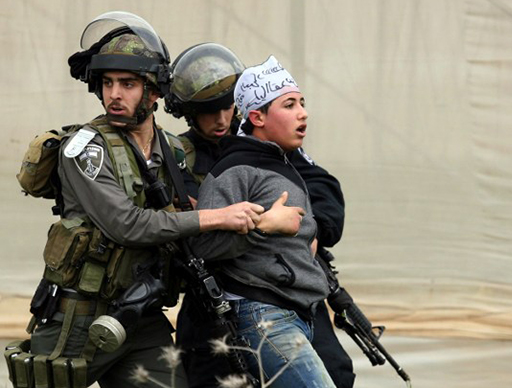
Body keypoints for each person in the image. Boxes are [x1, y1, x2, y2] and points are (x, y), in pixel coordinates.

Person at [22, 12, 298, 388]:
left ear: (154, 92)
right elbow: (127, 225)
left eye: (128, 84)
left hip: (141, 317)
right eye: (107, 83)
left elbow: (189, 220)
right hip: (76, 318)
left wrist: (262, 219)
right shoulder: (85, 150)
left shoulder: (171, 151)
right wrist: (217, 217)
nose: (114, 95)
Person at [165, 43, 355, 388]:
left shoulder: (270, 148)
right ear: (191, 113)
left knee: (337, 372)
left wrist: (312, 231)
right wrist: (211, 219)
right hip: (221, 294)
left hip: (289, 288)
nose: (222, 120)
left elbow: (323, 187)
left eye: (227, 108)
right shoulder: (178, 157)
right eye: (209, 112)